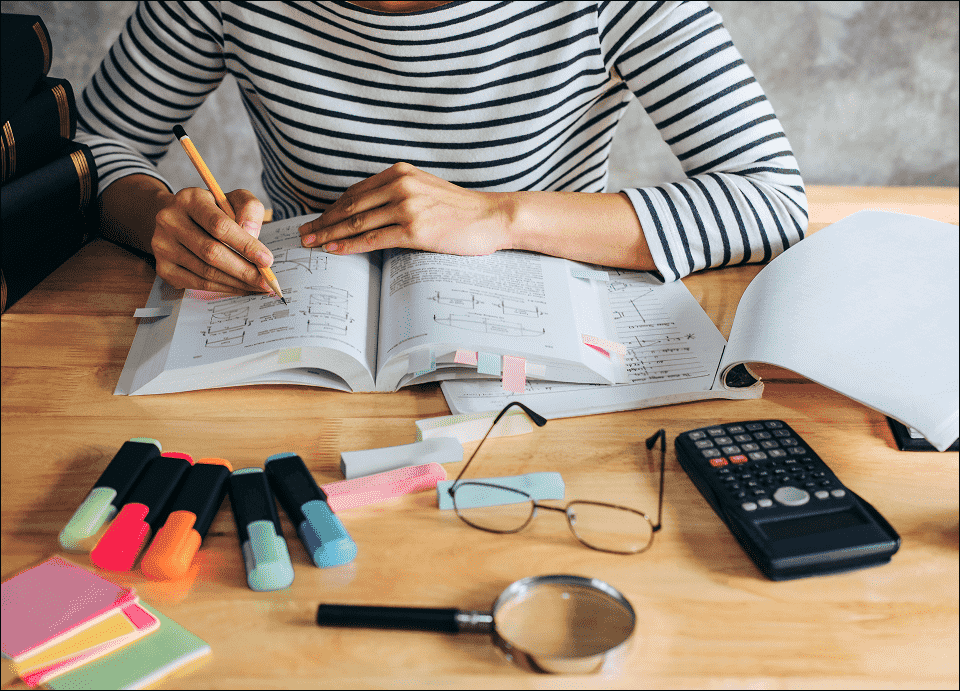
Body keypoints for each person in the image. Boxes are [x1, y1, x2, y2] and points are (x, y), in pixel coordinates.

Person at [77, 0, 807, 296]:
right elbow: (92, 142)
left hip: (539, 348)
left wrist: (502, 217)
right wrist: (160, 218)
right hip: (298, 325)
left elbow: (770, 200)